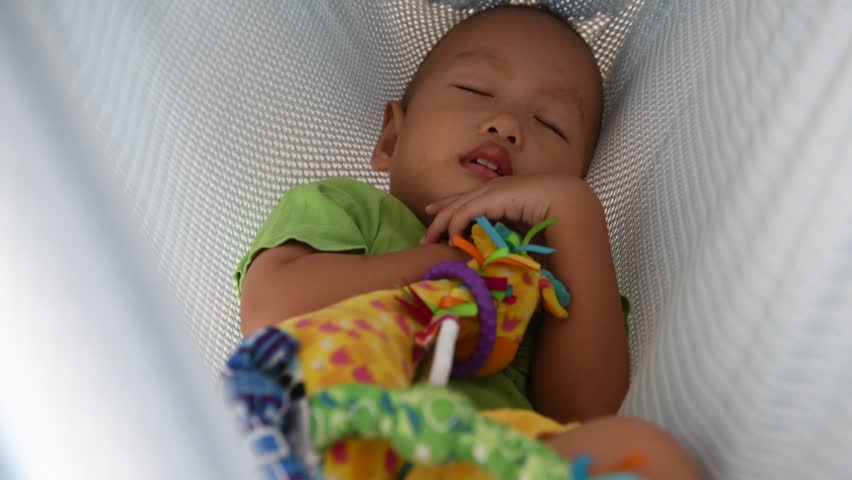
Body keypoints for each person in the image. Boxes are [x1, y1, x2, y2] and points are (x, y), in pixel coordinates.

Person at [236, 5, 700, 479]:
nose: (507, 124)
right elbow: (273, 310)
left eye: (550, 124)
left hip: (486, 459)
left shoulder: (545, 270)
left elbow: (583, 412)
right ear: (393, 139)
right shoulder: (346, 206)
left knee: (643, 451)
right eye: (474, 90)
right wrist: (447, 262)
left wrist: (576, 216)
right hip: (341, 440)